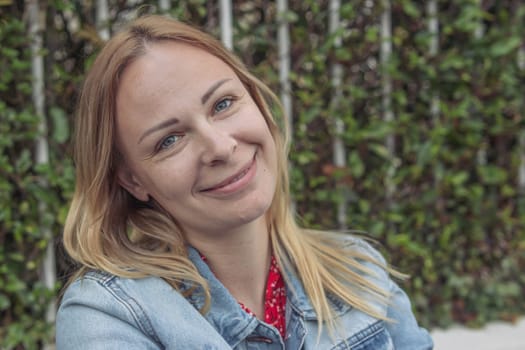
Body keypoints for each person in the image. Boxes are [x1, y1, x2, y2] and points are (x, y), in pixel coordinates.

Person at [56, 14, 433, 350]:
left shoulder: (359, 272)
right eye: (169, 140)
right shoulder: (109, 315)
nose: (220, 146)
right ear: (133, 181)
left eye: (222, 104)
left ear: (257, 102)